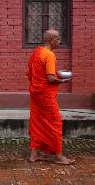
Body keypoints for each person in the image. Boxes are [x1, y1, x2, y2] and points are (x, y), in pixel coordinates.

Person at [27, 29, 75, 165]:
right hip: (46, 95)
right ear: (51, 40)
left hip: (36, 93)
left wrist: (55, 75)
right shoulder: (49, 55)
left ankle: (34, 155)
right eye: (58, 39)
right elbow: (50, 79)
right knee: (55, 122)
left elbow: (34, 73)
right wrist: (62, 81)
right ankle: (59, 156)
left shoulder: (37, 52)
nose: (59, 42)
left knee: (37, 122)